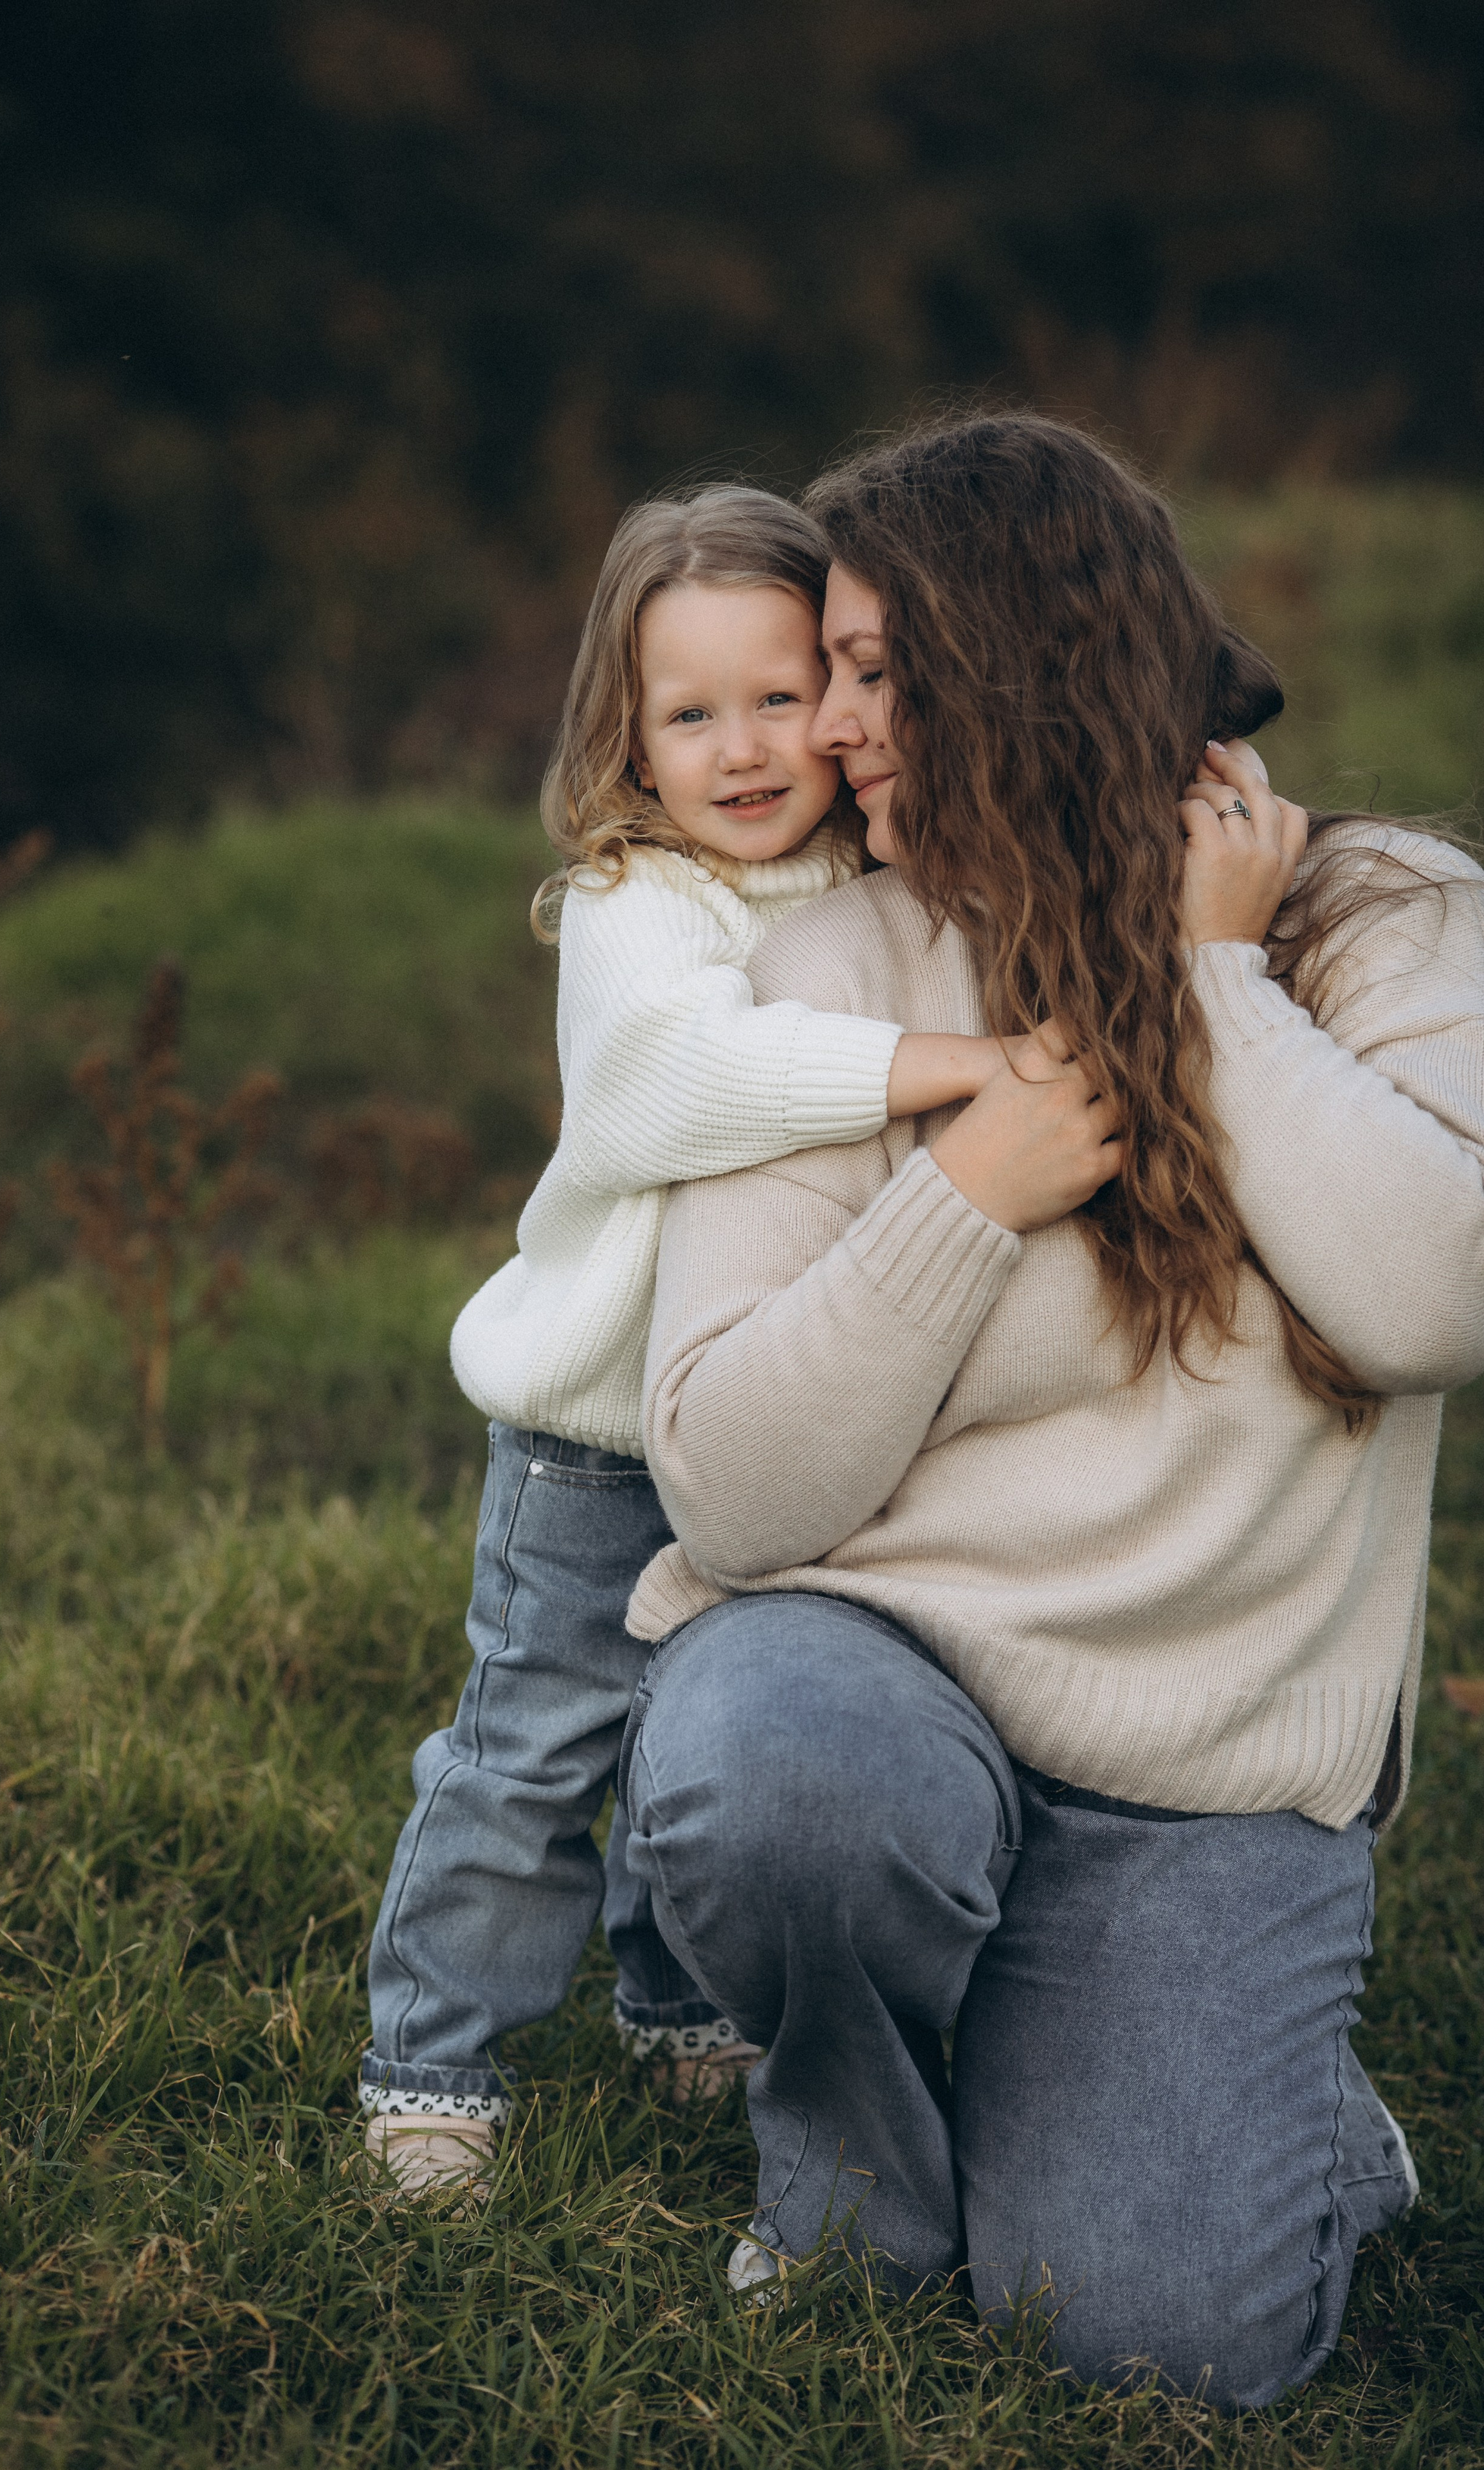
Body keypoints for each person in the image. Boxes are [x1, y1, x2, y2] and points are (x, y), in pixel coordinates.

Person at [618, 416, 1484, 2405]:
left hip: (1204, 1787)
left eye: (870, 669)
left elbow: (1434, 1294)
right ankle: (854, 2157)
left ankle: (1268, 2109)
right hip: (868, 1696)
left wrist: (1214, 987)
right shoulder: (840, 965)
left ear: (1024, 658)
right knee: (784, 1769)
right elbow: (732, 1487)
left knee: (1161, 2349)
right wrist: (960, 1192)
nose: (830, 732)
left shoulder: (1383, 921)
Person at [359, 485, 1025, 2194]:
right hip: (599, 1445)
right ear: (629, 745)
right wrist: (941, 1074)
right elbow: (673, 1085)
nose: (743, 748)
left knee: (699, 1737)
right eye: (688, 713)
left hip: (780, 1415)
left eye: (782, 694)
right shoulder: (633, 905)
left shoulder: (877, 877)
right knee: (536, 1758)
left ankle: (677, 2013)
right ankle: (432, 2069)